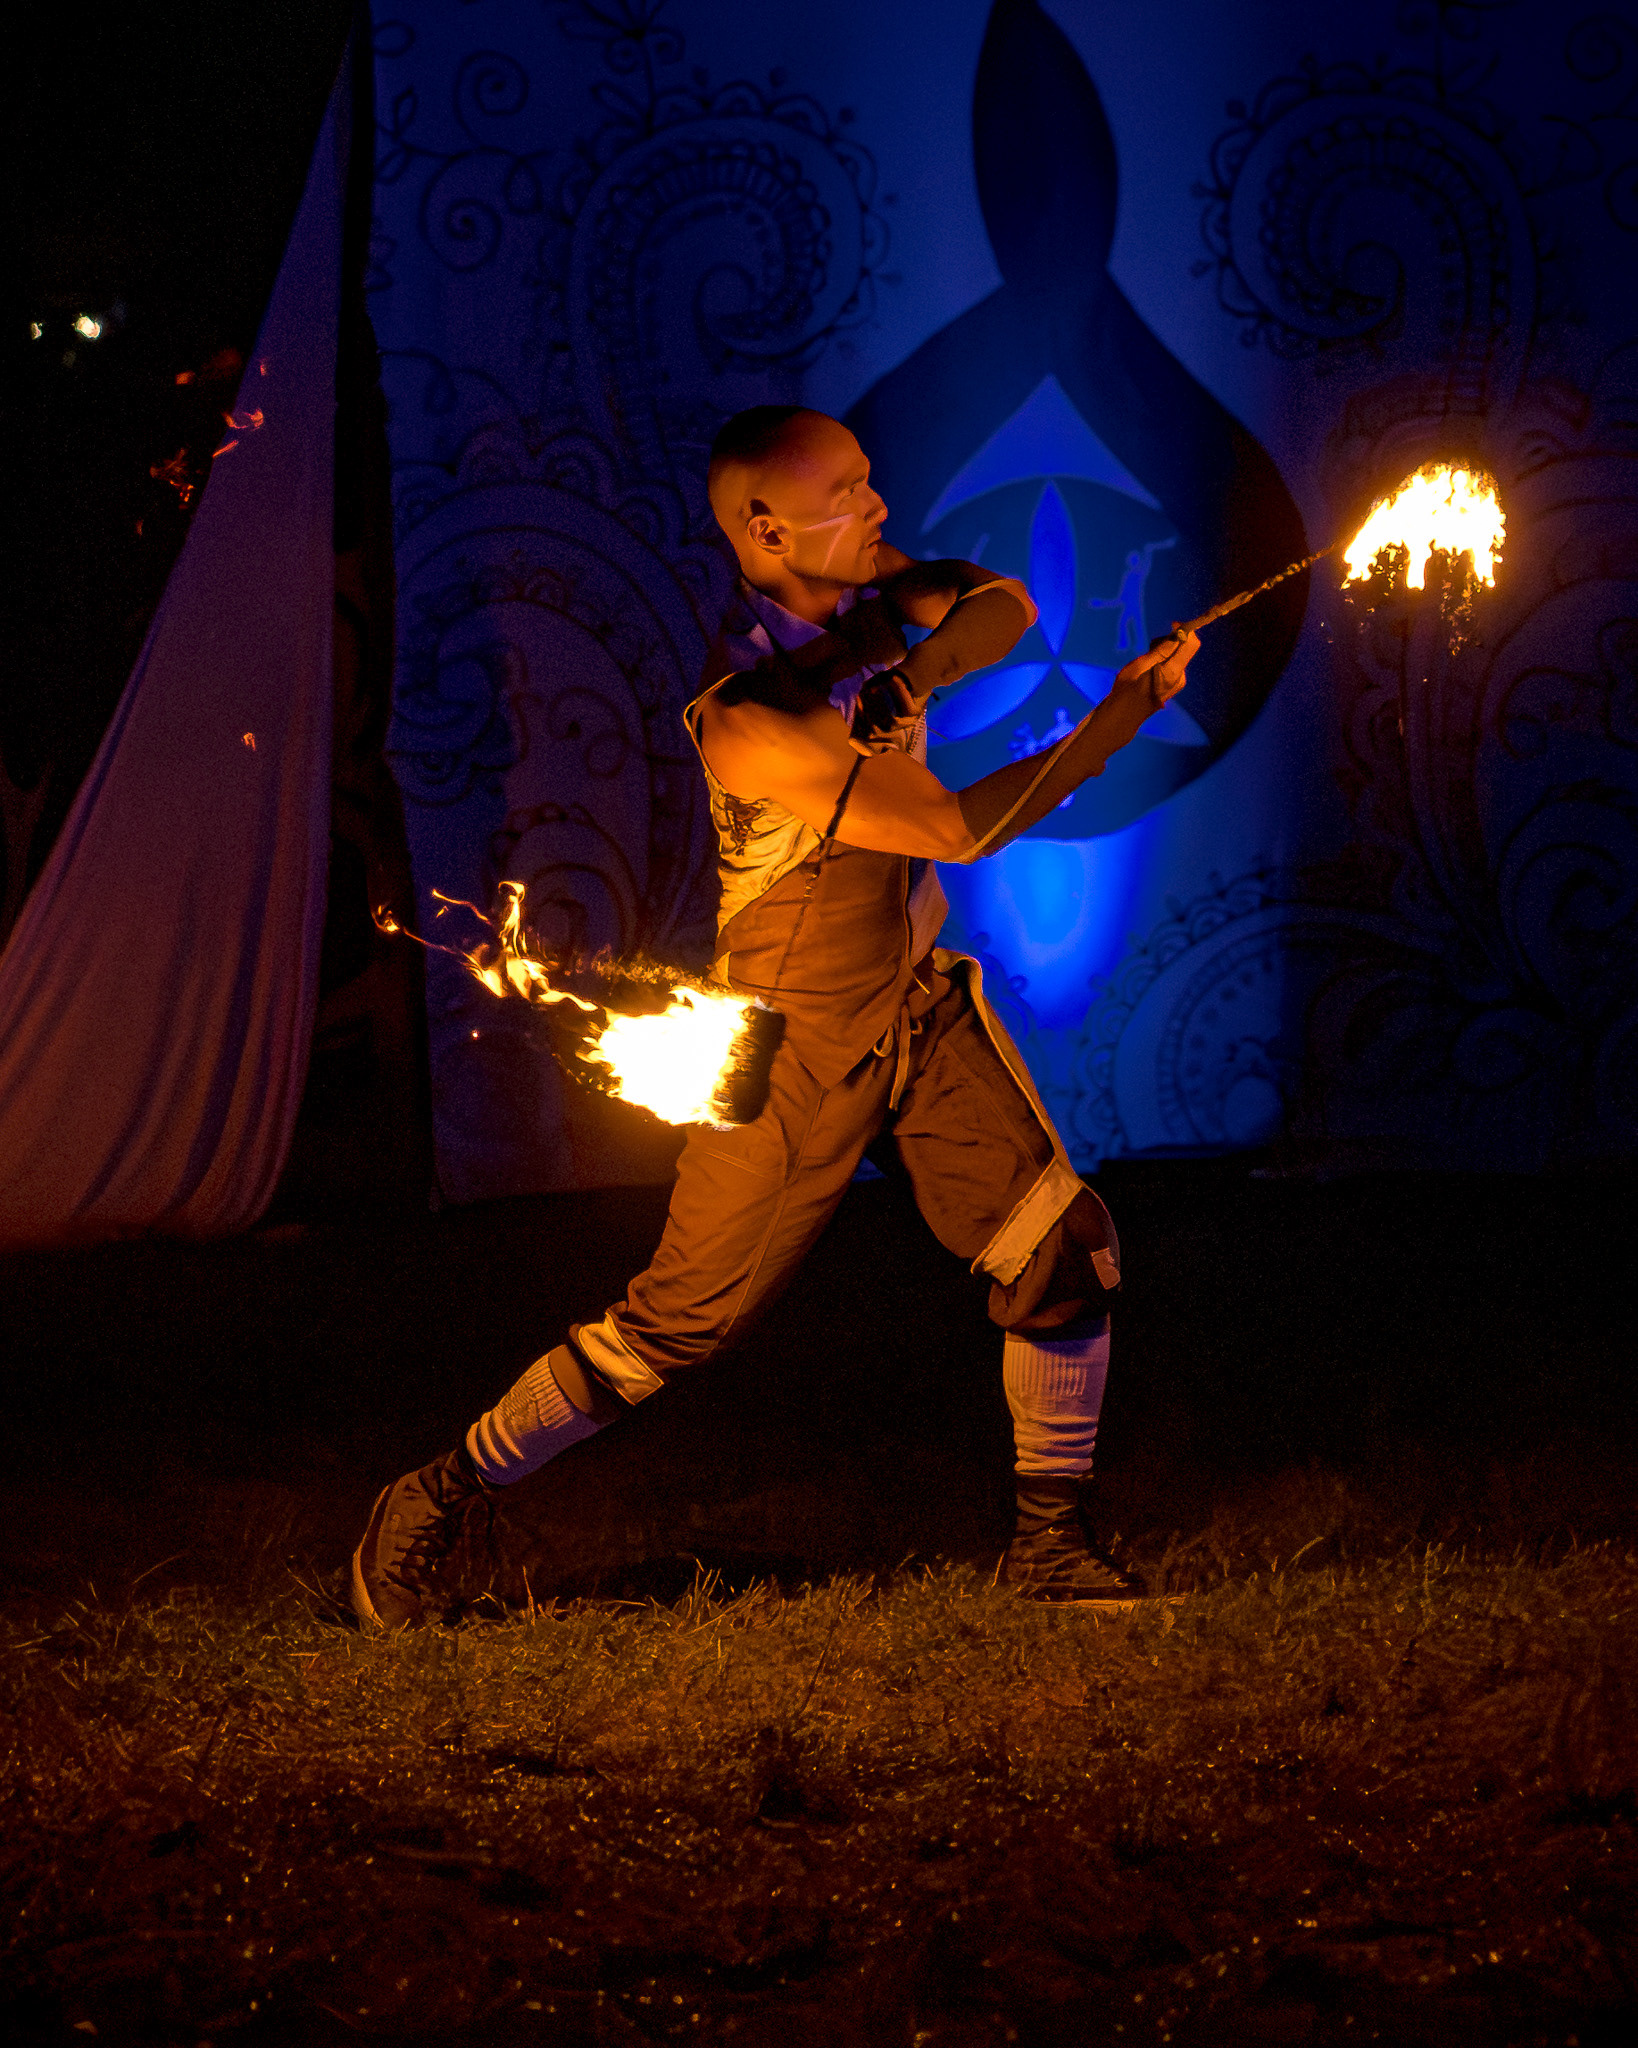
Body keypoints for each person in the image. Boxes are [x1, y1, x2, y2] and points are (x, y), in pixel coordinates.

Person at [351, 406, 1199, 1627]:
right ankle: (437, 1492)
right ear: (765, 526)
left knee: (1066, 1249)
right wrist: (1116, 718)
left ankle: (1051, 1547)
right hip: (800, 1047)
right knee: (674, 1326)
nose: (881, 510)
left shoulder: (867, 598)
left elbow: (1003, 601)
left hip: (916, 1005)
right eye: (849, 493)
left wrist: (907, 669)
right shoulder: (749, 714)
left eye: (870, 482)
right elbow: (957, 827)